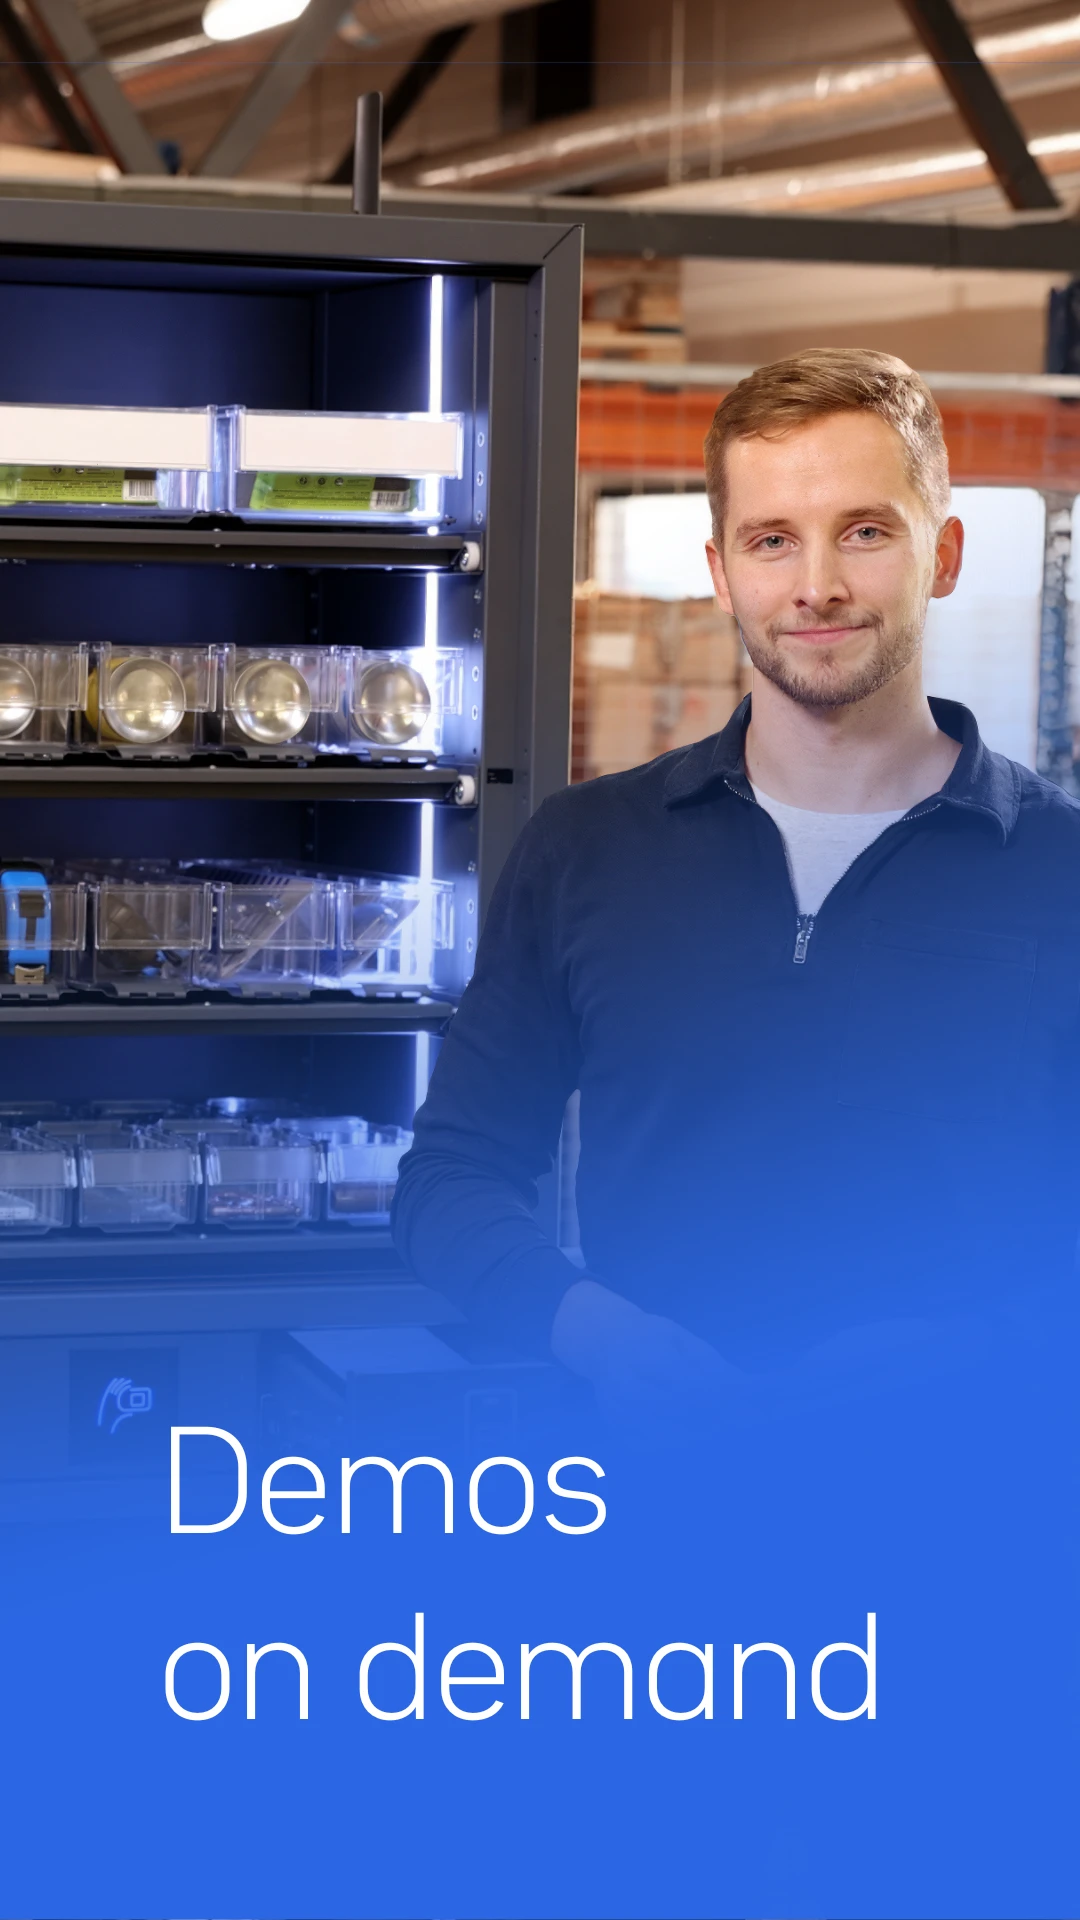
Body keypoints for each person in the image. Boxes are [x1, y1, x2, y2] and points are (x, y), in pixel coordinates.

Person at [392, 348, 1080, 1407]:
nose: (819, 586)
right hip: (654, 1498)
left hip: (973, 1506)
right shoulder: (588, 848)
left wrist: (970, 1357)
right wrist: (593, 1334)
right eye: (772, 541)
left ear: (941, 554)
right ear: (720, 572)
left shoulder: (1058, 867)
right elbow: (451, 1181)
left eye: (865, 531)